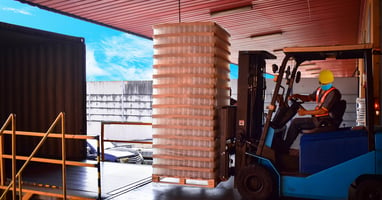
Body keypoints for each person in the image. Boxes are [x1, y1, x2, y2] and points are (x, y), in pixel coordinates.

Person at [281, 69, 342, 152]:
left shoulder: (333, 93)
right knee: (297, 124)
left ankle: (283, 149)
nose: (322, 83)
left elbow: (323, 111)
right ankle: (287, 148)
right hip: (319, 119)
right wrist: (298, 96)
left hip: (326, 121)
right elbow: (309, 98)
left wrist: (305, 112)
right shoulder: (320, 90)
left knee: (295, 123)